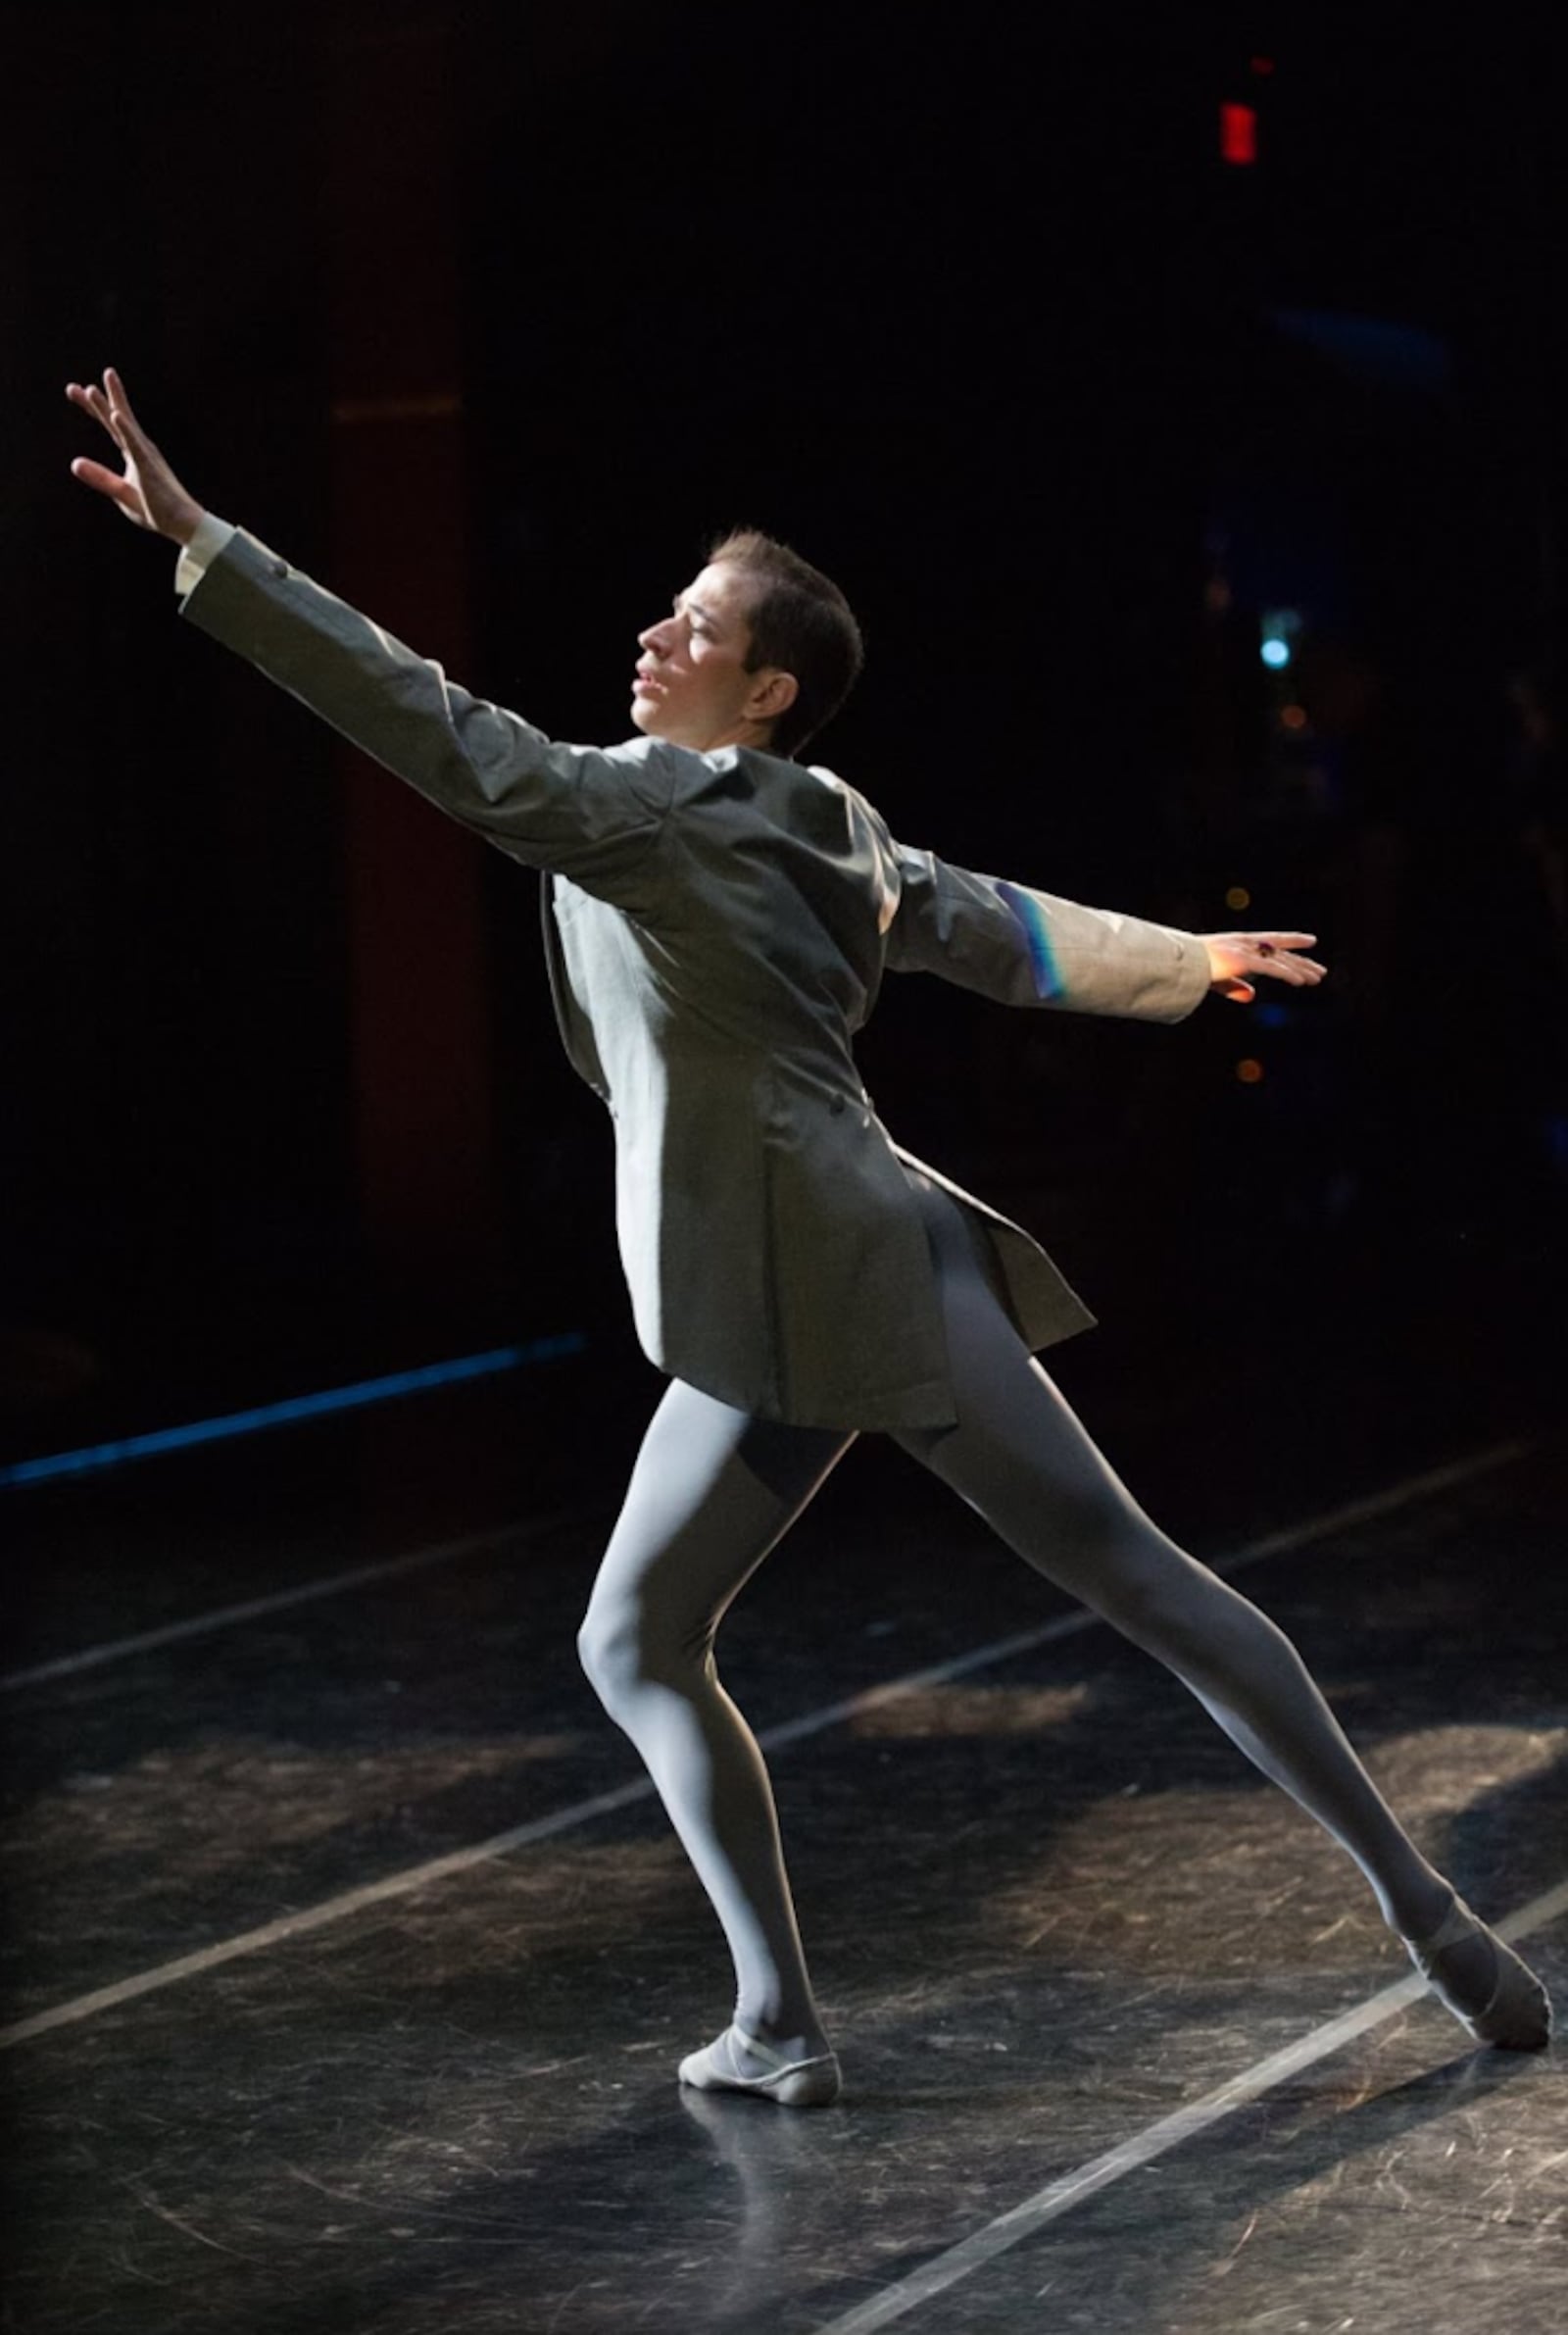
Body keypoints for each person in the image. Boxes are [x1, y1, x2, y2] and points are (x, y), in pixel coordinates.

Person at [68, 368, 1551, 2105]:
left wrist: (208, 547)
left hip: (860, 1274)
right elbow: (984, 915)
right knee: (634, 1638)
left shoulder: (658, 814)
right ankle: (778, 2020)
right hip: (761, 1298)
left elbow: (422, 717)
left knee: (1134, 1578)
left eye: (694, 626)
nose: (654, 633)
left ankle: (1436, 1919)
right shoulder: (803, 817)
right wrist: (1186, 961)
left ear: (765, 691)